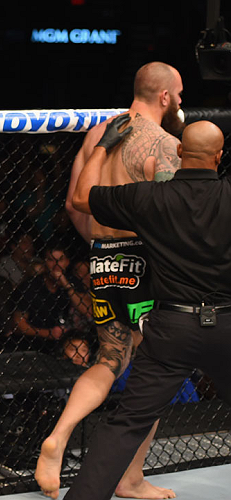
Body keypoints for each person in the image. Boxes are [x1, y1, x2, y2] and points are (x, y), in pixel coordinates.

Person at [36, 61, 184, 499]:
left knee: (109, 358)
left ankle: (59, 435)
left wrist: (104, 245)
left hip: (104, 259)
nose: (180, 100)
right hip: (147, 262)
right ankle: (131, 477)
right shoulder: (169, 145)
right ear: (164, 96)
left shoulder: (98, 134)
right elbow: (171, 222)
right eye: (179, 93)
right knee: (158, 368)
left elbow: (73, 202)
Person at [62, 119, 230, 499]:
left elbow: (81, 198)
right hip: (226, 323)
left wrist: (102, 146)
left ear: (181, 153)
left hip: (173, 328)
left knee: (126, 424)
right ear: (219, 157)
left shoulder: (151, 197)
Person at [8, 243, 90, 355]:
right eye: (51, 260)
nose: (56, 265)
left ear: (67, 262)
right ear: (45, 262)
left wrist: (66, 285)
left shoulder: (73, 282)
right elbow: (18, 324)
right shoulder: (30, 286)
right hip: (36, 347)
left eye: (60, 260)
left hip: (69, 348)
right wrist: (48, 333)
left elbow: (88, 311)